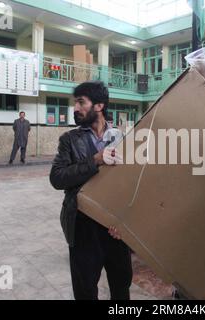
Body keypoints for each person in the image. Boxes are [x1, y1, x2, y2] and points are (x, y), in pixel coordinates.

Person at [49, 81, 132, 300]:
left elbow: (133, 185)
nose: (75, 108)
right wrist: (94, 160)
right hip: (83, 228)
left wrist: (126, 221)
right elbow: (57, 178)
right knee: (85, 292)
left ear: (99, 105)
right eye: (75, 103)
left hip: (115, 230)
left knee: (121, 289)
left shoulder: (122, 138)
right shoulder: (69, 140)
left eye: (80, 102)